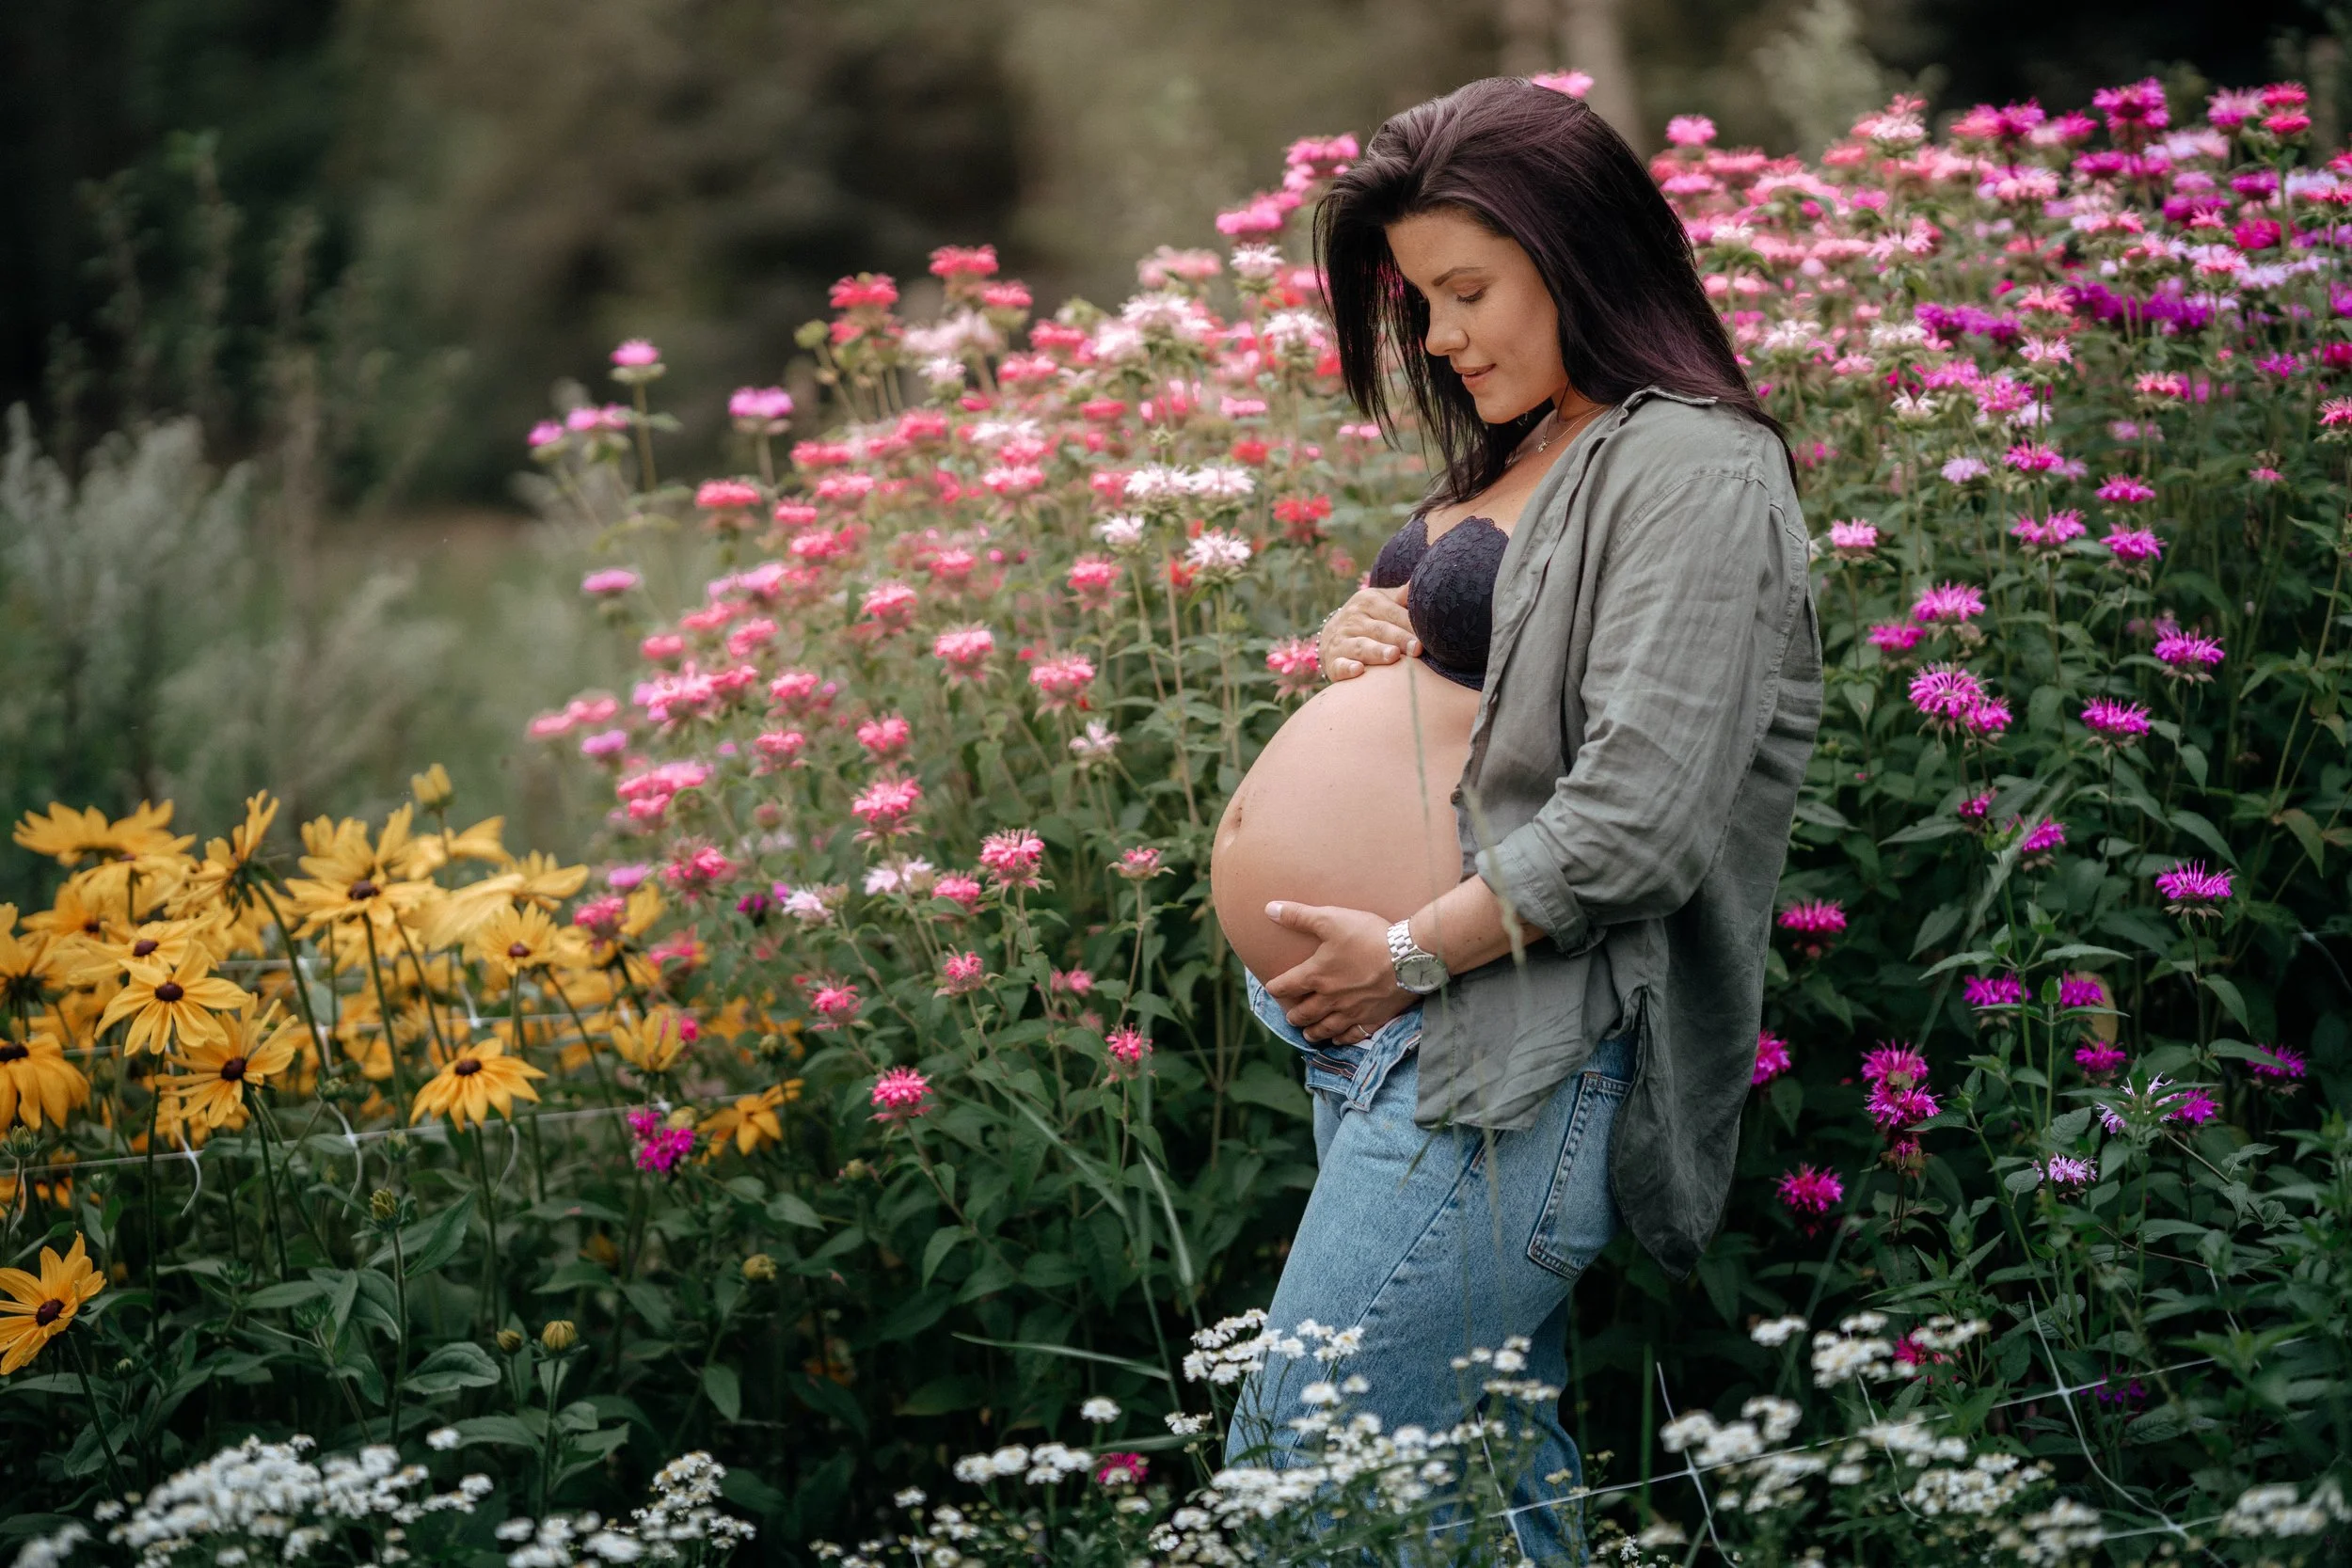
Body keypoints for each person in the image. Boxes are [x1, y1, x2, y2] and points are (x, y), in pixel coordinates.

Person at [1203, 75, 1822, 1560]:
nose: (1439, 337)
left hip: (1501, 1052)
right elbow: (1488, 702)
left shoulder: (1695, 466)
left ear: (1583, 252)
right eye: (1420, 300)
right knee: (1472, 1496)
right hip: (1383, 1043)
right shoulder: (1529, 446)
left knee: (1307, 1452)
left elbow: (1641, 819)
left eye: (1465, 290)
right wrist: (1365, 637)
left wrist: (1407, 953)